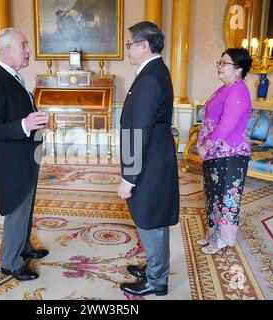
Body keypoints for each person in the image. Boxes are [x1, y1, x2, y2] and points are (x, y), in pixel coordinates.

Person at [0, 28, 49, 281]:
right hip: (13, 160)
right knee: (17, 208)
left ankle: (24, 248)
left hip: (27, 155)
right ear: (7, 51)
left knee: (26, 207)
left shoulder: (14, 76)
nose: (29, 51)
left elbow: (21, 109)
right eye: (24, 45)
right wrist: (25, 125)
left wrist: (37, 121)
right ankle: (10, 262)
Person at [118, 21, 179, 297]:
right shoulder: (154, 71)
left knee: (149, 218)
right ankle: (156, 268)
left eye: (130, 44)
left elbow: (138, 131)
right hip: (154, 156)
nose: (127, 49)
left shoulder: (151, 77)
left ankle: (157, 279)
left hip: (149, 161)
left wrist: (128, 177)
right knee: (152, 216)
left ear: (144, 46)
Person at [196, 48, 253, 255]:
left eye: (224, 63)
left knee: (226, 198)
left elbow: (226, 125)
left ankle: (222, 240)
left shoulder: (238, 90)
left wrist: (205, 145)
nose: (219, 66)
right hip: (216, 153)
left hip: (231, 154)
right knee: (213, 196)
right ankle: (212, 234)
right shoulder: (224, 88)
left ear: (238, 69)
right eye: (219, 62)